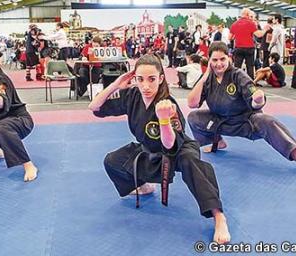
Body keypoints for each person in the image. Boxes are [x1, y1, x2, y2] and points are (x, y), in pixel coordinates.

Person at [88, 53, 231, 244]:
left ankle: (219, 216)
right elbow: (94, 107)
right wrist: (116, 84)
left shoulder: (167, 103)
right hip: (149, 149)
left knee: (192, 164)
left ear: (161, 78)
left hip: (178, 150)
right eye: (140, 79)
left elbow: (170, 145)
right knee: (112, 161)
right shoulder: (132, 95)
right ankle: (145, 187)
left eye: (151, 79)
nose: (146, 86)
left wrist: (163, 119)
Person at [187, 41, 296, 160]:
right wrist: (205, 77)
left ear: (229, 58)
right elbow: (192, 103)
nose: (219, 64)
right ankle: (217, 142)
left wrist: (258, 99)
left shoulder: (238, 75)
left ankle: (294, 152)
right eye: (214, 60)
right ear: (209, 61)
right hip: (221, 122)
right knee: (194, 117)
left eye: (222, 59)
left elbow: (255, 100)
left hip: (246, 123)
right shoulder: (208, 79)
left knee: (266, 121)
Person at [0, 44, 38, 182]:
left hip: (20, 121)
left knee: (0, 127)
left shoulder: (1, 80)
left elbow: (1, 103)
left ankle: (28, 165)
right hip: (0, 122)